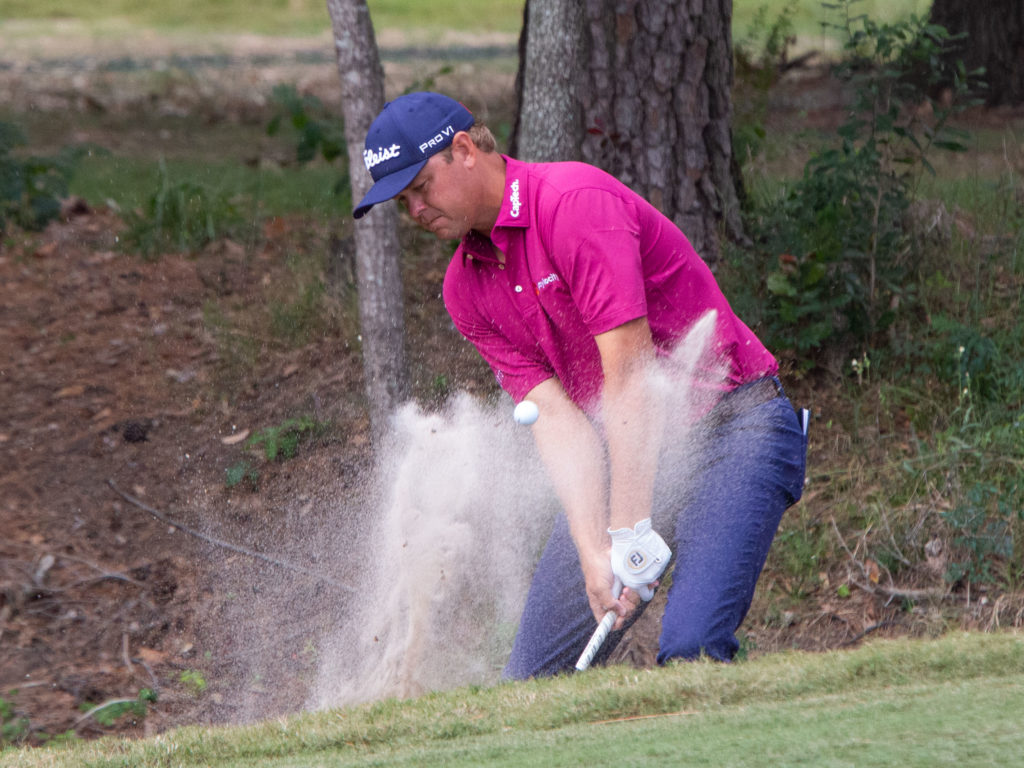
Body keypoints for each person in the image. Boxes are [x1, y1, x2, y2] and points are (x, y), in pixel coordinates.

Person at [353, 91, 807, 678]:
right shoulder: (464, 289)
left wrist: (630, 529)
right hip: (630, 452)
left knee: (691, 649)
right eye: (403, 201)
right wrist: (597, 548)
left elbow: (629, 375)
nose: (415, 209)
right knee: (532, 683)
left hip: (734, 426)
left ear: (463, 150)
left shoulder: (572, 204)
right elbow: (558, 421)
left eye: (420, 187)